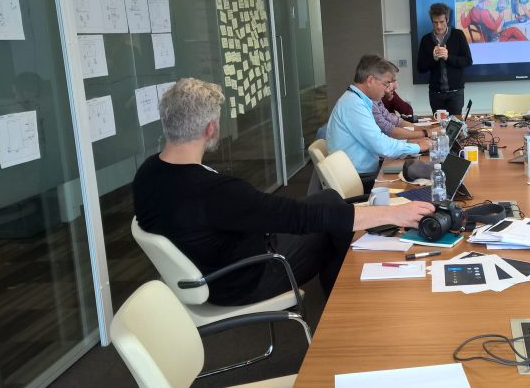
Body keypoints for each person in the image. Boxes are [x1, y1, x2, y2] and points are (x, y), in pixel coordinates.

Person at [133, 78, 434, 306]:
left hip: (214, 267)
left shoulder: (148, 173)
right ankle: (354, 304)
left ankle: (346, 300)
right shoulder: (214, 192)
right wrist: (392, 214)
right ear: (211, 128)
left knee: (329, 200)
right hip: (246, 277)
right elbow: (296, 217)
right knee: (328, 224)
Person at [328, 55, 429, 180]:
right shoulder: (353, 105)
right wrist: (418, 147)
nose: (387, 89)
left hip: (364, 170)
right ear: (370, 80)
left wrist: (410, 144)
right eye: (386, 84)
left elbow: (379, 140)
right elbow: (381, 145)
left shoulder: (357, 100)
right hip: (358, 178)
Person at [418, 2, 473, 114]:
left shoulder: (458, 35)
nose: (438, 26)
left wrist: (448, 57)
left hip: (456, 93)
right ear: (431, 21)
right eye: (435, 22)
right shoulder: (426, 40)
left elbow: (468, 61)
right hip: (435, 94)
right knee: (439, 124)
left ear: (447, 20)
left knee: (455, 123)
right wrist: (433, 58)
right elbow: (420, 68)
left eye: (442, 22)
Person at [372, 63, 431, 141]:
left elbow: (401, 118)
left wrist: (425, 131)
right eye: (389, 82)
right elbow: (388, 130)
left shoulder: (378, 99)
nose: (396, 86)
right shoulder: (373, 100)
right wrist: (425, 133)